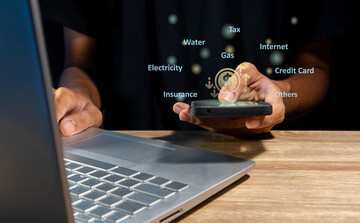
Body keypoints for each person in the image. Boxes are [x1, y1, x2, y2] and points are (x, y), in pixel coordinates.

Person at [40, 0, 352, 137]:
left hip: (267, 162)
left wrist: (280, 93)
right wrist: (80, 99)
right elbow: (80, 66)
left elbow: (314, 68)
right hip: (133, 154)